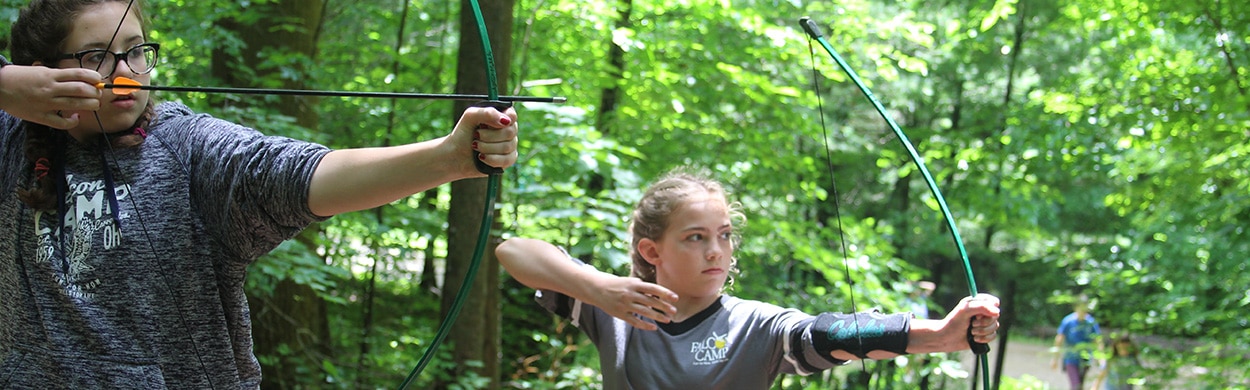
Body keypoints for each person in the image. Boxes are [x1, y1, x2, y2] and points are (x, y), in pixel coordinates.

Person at [0, 0, 519, 388]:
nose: (126, 74)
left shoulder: (189, 149)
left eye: (136, 51)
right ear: (40, 72)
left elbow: (307, 176)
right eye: (96, 56)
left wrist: (449, 157)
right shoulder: (12, 138)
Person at [495, 167, 1001, 389]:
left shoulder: (755, 326)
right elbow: (513, 250)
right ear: (653, 251)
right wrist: (596, 287)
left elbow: (829, 334)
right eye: (695, 238)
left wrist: (938, 335)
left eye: (724, 235)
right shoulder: (617, 306)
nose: (717, 251)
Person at [1051, 298, 1102, 390]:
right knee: (1076, 385)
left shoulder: (1091, 323)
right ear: (1076, 307)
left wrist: (1100, 358)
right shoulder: (1068, 321)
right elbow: (1059, 339)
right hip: (1071, 359)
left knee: (1080, 386)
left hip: (1085, 359)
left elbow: (1097, 340)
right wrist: (1055, 358)